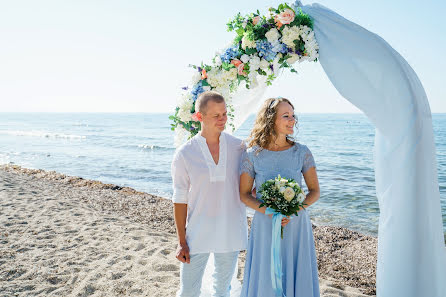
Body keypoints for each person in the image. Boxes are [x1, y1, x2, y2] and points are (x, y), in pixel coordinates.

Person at [239, 97, 321, 297]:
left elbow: (314, 191)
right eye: (286, 116)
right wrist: (270, 211)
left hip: (296, 224)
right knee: (265, 272)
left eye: (293, 115)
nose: (292, 120)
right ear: (270, 120)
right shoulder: (253, 154)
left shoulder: (301, 152)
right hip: (265, 223)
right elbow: (244, 194)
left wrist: (293, 211)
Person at [171, 91, 248, 297]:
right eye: (216, 115)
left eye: (224, 113)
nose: (222, 119)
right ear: (199, 117)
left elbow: (249, 187)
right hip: (197, 231)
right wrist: (181, 241)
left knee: (222, 290)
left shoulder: (239, 147)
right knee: (189, 290)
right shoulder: (185, 154)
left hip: (230, 228)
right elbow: (180, 199)